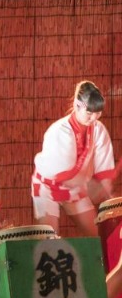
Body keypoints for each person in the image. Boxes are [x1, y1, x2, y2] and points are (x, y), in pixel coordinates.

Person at [32, 80, 115, 236]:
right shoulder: (59, 131)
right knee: (48, 240)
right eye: (89, 113)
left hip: (76, 188)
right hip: (47, 187)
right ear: (77, 105)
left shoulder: (98, 129)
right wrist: (91, 185)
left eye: (97, 113)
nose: (94, 118)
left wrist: (105, 187)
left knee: (96, 238)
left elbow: (104, 170)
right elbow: (63, 173)